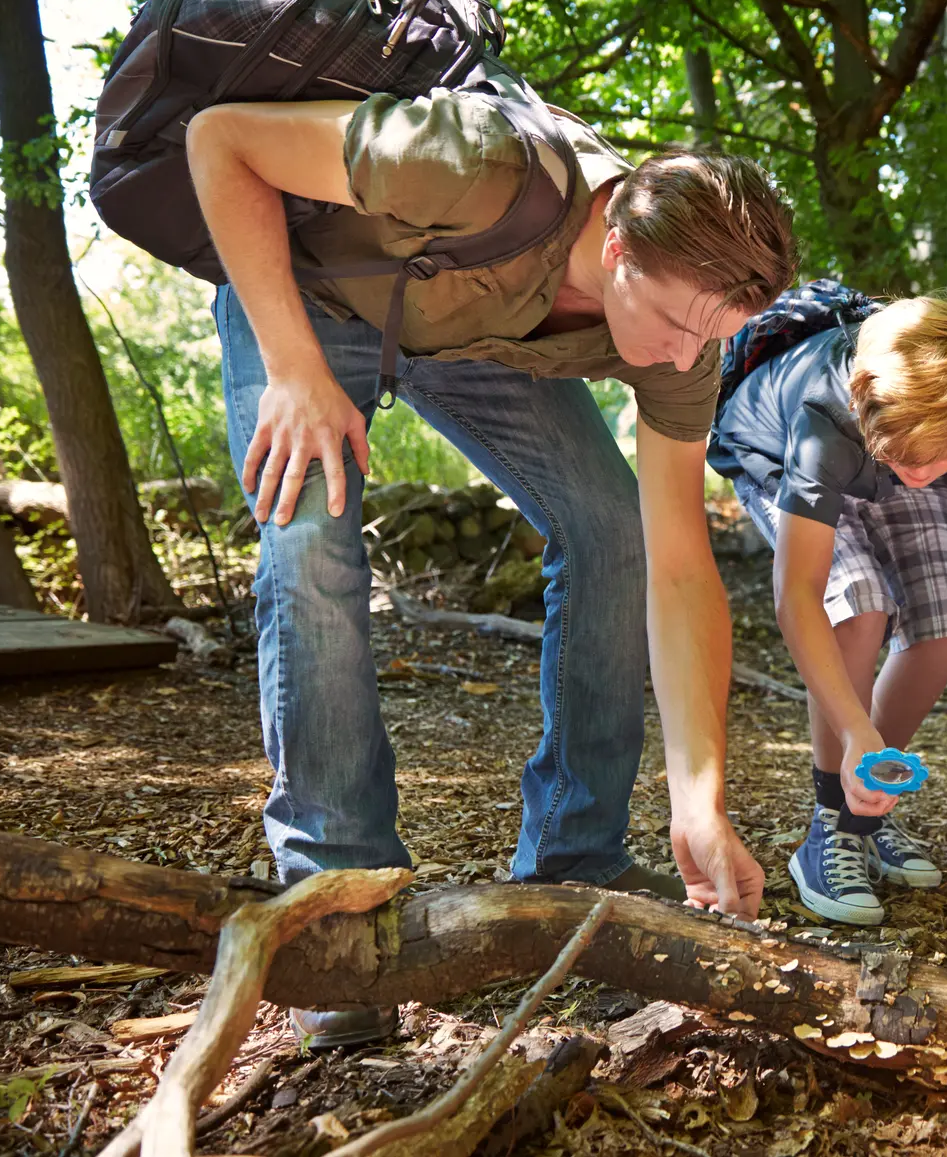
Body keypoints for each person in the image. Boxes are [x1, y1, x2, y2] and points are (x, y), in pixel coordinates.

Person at [185, 91, 797, 1045]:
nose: (686, 358)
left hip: (478, 338)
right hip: (315, 296)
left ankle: (573, 853)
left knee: (610, 528)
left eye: (709, 340)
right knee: (313, 539)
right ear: (619, 249)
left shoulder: (689, 330)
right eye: (678, 327)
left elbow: (679, 568)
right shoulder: (471, 161)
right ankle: (336, 903)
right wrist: (294, 367)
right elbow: (219, 141)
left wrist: (698, 803)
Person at [709, 295, 947, 925]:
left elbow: (926, 458)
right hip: (785, 453)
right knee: (858, 604)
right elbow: (799, 594)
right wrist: (854, 730)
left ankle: (866, 804)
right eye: (915, 459)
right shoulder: (822, 422)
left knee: (946, 619)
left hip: (896, 436)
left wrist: (923, 459)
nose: (927, 472)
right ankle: (830, 825)